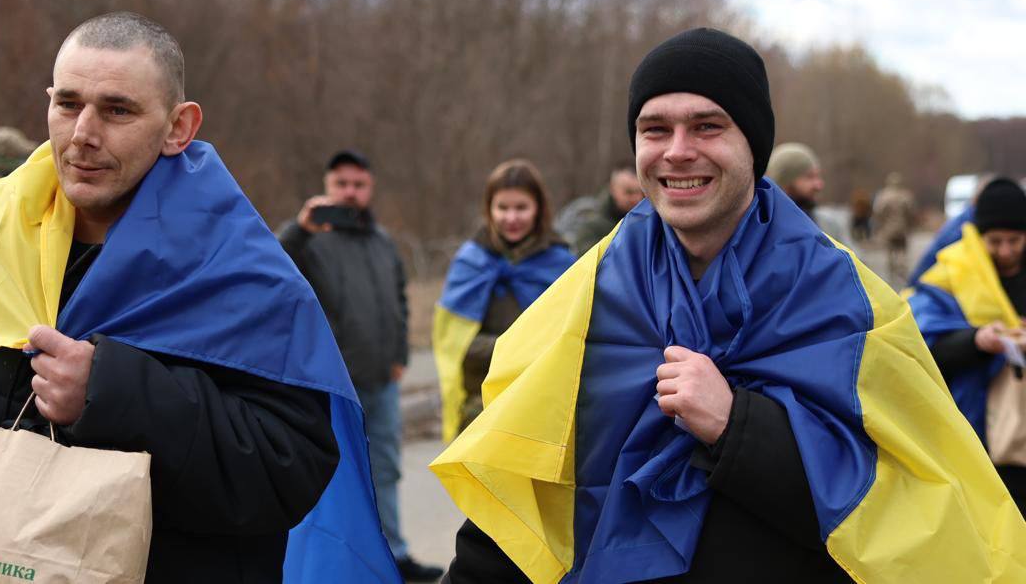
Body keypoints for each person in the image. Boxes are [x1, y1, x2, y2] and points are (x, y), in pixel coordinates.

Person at [432, 28, 1025, 583]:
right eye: (655, 129)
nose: (677, 151)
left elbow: (895, 513)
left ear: (753, 144)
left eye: (707, 126)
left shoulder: (848, 299)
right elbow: (524, 488)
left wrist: (735, 425)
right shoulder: (586, 293)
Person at [0, 12, 398, 583]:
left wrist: (113, 393)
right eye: (68, 103)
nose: (83, 133)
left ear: (178, 127)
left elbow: (289, 469)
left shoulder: (242, 270)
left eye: (117, 110)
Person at [278, 151, 444, 582]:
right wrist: (299, 229)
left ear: (370, 188)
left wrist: (400, 356)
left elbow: (399, 300)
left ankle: (394, 555)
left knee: (384, 469)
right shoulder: (308, 241)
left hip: (382, 380)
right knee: (332, 477)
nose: (350, 193)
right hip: (331, 387)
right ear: (327, 187)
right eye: (341, 184)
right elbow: (272, 270)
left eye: (358, 184)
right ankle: (336, 566)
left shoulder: (383, 242)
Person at [433, 159, 573, 443]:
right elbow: (455, 344)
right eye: (502, 208)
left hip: (541, 407)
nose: (511, 217)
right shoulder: (470, 262)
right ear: (489, 209)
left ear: (538, 208)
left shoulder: (562, 264)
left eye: (521, 207)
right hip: (480, 409)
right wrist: (515, 348)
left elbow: (572, 338)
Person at [908, 178, 1026, 511]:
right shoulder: (948, 275)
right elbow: (919, 347)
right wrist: (976, 340)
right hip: (976, 433)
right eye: (995, 241)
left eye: (1015, 240)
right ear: (977, 236)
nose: (1006, 251)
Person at [766, 142, 853, 245]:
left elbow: (852, 255)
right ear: (785, 182)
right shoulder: (765, 229)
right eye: (809, 177)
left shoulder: (829, 225)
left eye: (818, 176)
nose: (819, 185)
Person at [559, 162, 645, 256]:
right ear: (613, 189)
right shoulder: (591, 227)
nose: (637, 198)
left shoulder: (648, 220)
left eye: (641, 192)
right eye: (629, 192)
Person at [873, 171, 916, 284]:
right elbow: (911, 212)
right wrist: (910, 225)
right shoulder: (905, 196)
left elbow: (878, 211)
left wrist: (881, 223)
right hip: (902, 229)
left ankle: (892, 273)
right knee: (902, 250)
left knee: (890, 251)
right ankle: (902, 271)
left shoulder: (883, 196)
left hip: (888, 229)